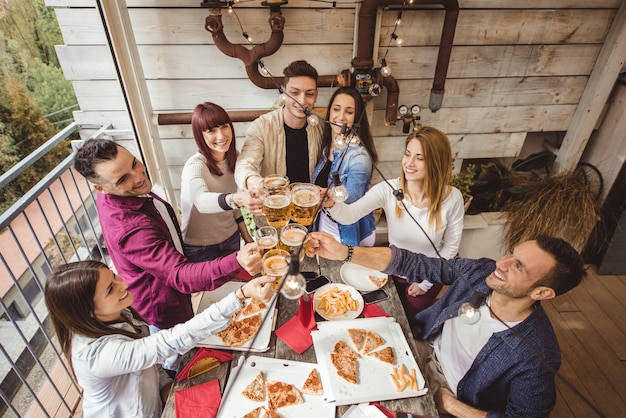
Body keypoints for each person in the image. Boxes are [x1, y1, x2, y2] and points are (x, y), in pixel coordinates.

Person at [305, 231, 586, 418]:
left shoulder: (537, 355)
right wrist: (344, 252)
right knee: (327, 371)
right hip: (419, 349)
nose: (501, 263)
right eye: (511, 253)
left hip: (451, 397)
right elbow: (416, 264)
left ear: (542, 293)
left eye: (519, 266)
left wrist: (451, 405)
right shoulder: (482, 272)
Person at [73, 138, 262, 332]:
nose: (138, 177)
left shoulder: (114, 189)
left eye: (134, 163)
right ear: (100, 188)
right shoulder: (131, 229)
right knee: (178, 355)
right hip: (164, 309)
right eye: (123, 179)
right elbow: (179, 275)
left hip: (173, 294)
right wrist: (238, 260)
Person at [44, 260, 274, 417]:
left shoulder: (115, 314)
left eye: (114, 277)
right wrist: (240, 295)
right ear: (88, 312)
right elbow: (168, 342)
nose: (123, 283)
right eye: (110, 289)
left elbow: (149, 360)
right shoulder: (97, 355)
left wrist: (166, 388)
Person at [322, 126, 464, 315]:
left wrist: (426, 283)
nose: (409, 163)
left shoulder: (453, 198)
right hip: (392, 267)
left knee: (413, 319)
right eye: (407, 154)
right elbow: (349, 215)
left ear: (436, 162)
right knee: (384, 312)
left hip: (428, 274)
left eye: (419, 158)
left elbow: (451, 249)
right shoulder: (389, 189)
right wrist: (332, 204)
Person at [181, 102, 263, 262]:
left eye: (224, 126)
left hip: (231, 239)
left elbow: (234, 210)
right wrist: (237, 198)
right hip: (199, 247)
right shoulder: (195, 165)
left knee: (232, 285)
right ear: (200, 135)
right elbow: (201, 201)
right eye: (211, 130)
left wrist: (247, 238)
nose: (221, 135)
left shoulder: (235, 159)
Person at [234, 60, 324, 191]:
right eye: (294, 93)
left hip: (310, 204)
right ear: (283, 92)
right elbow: (244, 165)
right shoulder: (262, 126)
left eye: (309, 94)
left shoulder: (322, 126)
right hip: (275, 205)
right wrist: (254, 181)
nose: (302, 101)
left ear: (315, 96)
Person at [312, 86, 378, 246]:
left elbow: (349, 201)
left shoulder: (359, 157)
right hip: (325, 225)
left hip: (348, 233)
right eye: (336, 109)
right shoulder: (328, 147)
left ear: (356, 117)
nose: (340, 117)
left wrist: (319, 195)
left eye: (349, 112)